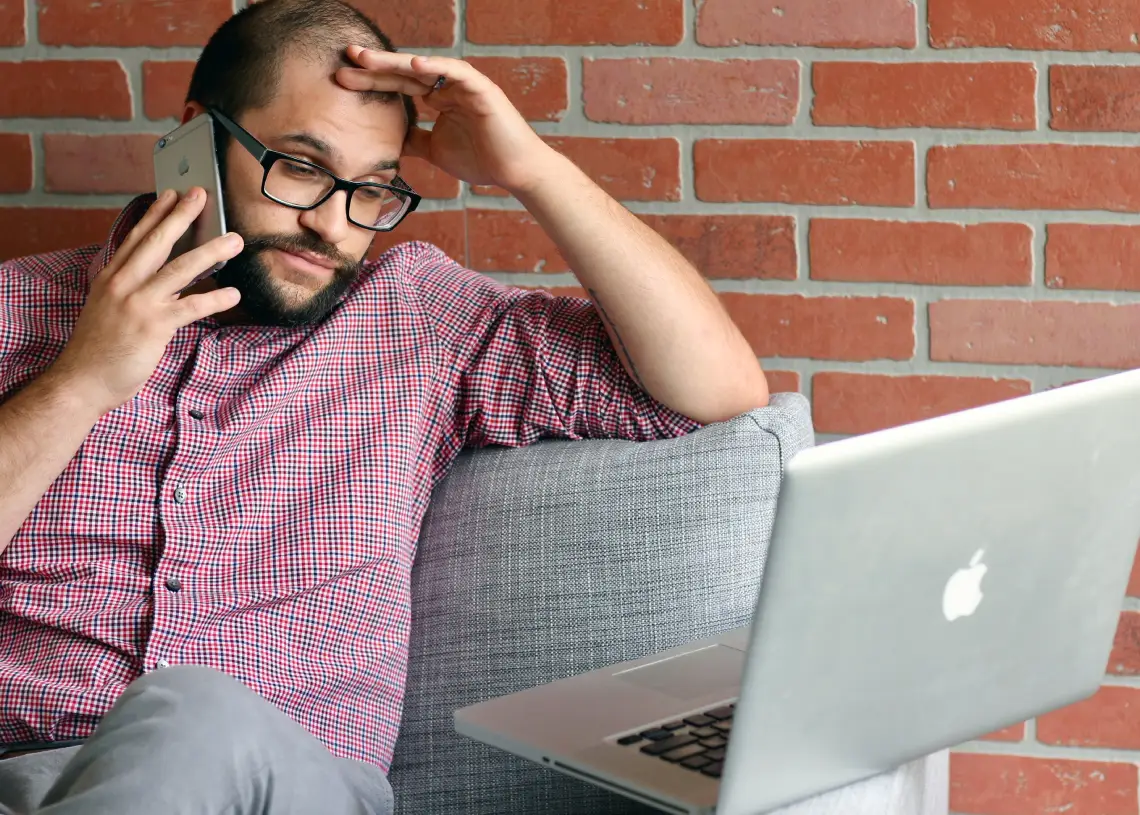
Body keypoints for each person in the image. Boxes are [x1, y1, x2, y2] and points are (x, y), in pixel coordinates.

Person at [0, 0, 769, 812]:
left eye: (372, 191)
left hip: (290, 787)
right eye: (299, 166)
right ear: (198, 139)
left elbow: (717, 388)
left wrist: (530, 169)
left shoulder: (418, 322)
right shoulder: (19, 308)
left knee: (191, 710)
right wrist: (82, 379)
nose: (333, 224)